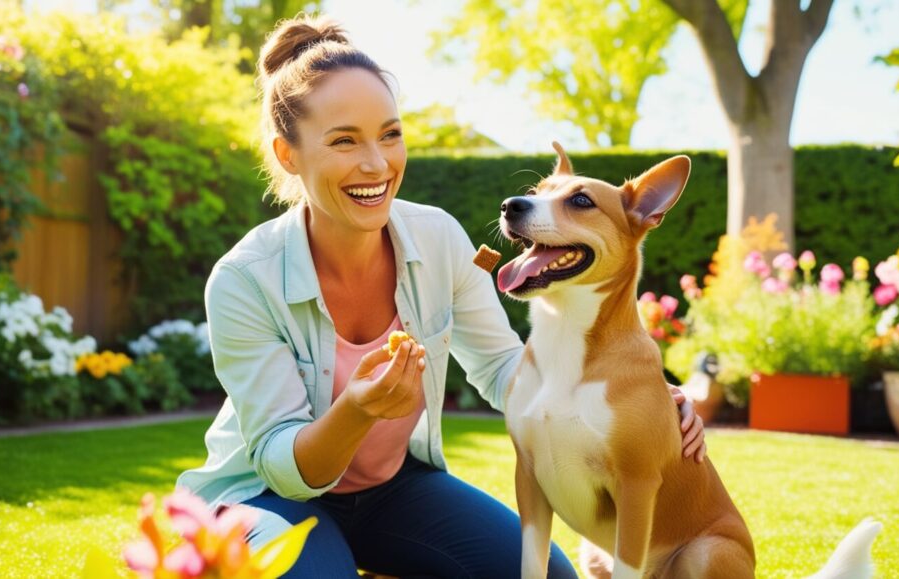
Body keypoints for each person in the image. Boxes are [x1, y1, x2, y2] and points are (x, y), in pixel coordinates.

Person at [176, 14, 707, 578]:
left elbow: (507, 371)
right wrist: (355, 411)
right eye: (343, 141)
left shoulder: (437, 238)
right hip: (267, 498)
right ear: (288, 154)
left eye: (390, 134)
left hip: (394, 489)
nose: (377, 164)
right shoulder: (245, 280)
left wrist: (639, 402)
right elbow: (282, 466)